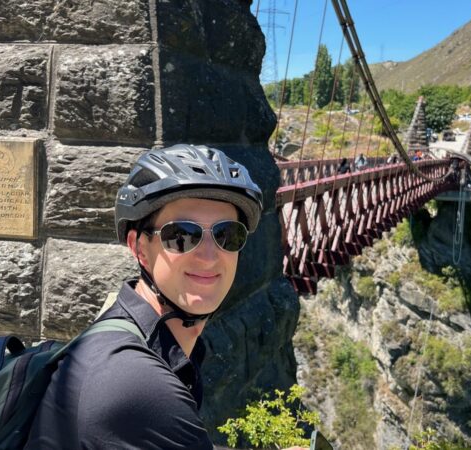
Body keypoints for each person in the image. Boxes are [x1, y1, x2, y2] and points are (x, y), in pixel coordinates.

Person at [25, 144, 303, 449]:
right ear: (140, 248)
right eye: (182, 235)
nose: (210, 257)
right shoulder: (139, 384)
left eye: (226, 235)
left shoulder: (126, 335)